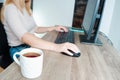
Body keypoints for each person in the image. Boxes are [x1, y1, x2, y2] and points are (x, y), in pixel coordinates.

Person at [0, 0, 80, 59]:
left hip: (30, 45)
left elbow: (35, 28)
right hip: (18, 49)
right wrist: (57, 47)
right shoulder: (10, 8)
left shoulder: (26, 8)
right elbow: (24, 37)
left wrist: (52, 28)